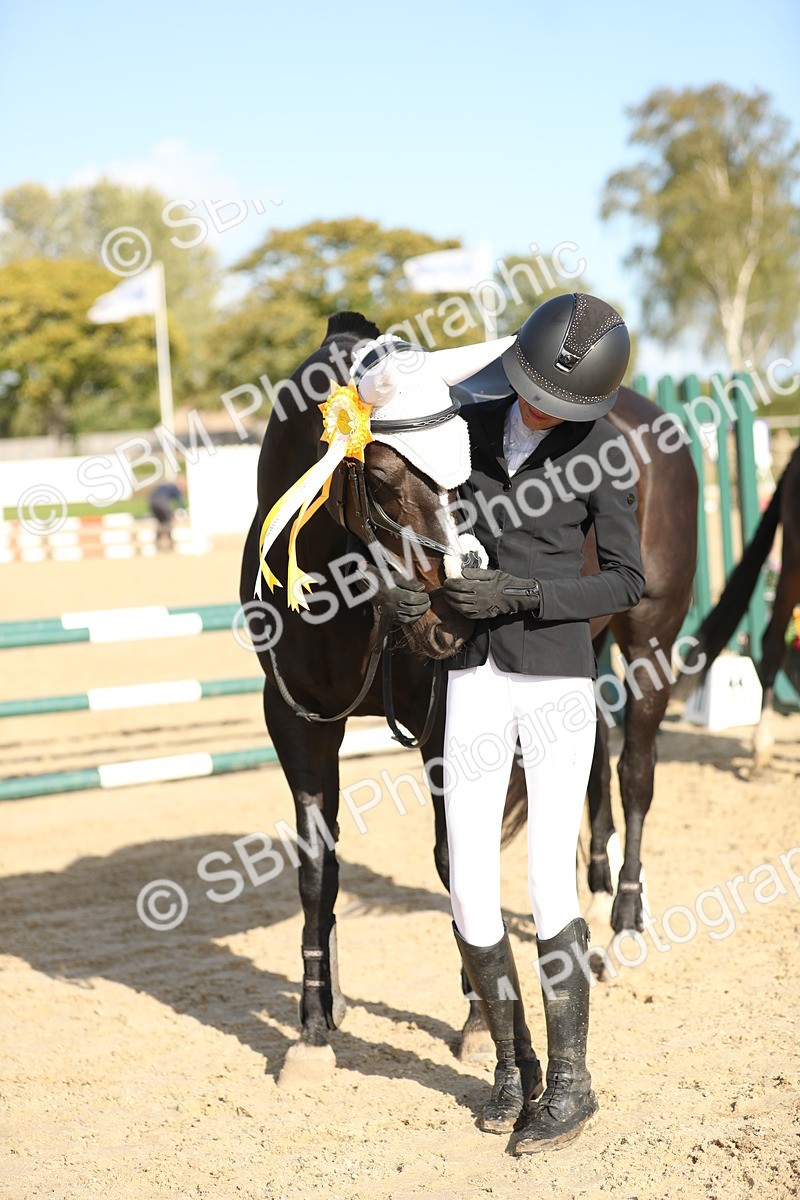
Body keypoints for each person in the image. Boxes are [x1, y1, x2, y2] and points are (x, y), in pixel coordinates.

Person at [356, 293, 645, 1154]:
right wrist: (403, 594)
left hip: (556, 682)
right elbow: (407, 516)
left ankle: (572, 1083)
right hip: (471, 676)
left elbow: (625, 582)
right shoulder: (466, 430)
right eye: (529, 387)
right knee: (469, 885)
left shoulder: (605, 450)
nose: (536, 406)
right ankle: (514, 1062)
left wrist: (527, 594)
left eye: (557, 401)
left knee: (549, 884)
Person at [149, 480, 185, 550]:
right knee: (169, 521)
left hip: (152, 502)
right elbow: (179, 501)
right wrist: (183, 511)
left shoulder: (165, 486)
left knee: (159, 523)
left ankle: (158, 543)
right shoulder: (175, 488)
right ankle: (170, 544)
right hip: (162, 502)